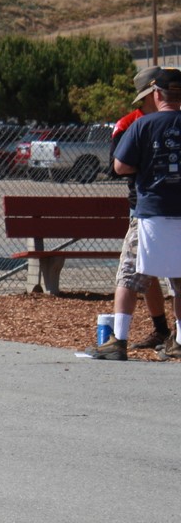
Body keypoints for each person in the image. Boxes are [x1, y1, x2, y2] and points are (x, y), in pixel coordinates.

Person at [78, 67, 175, 360]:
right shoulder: (130, 123)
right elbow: (116, 164)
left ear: (155, 95)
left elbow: (121, 166)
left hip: (151, 210)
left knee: (132, 273)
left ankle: (121, 339)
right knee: (166, 276)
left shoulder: (144, 125)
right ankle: (166, 331)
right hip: (155, 206)